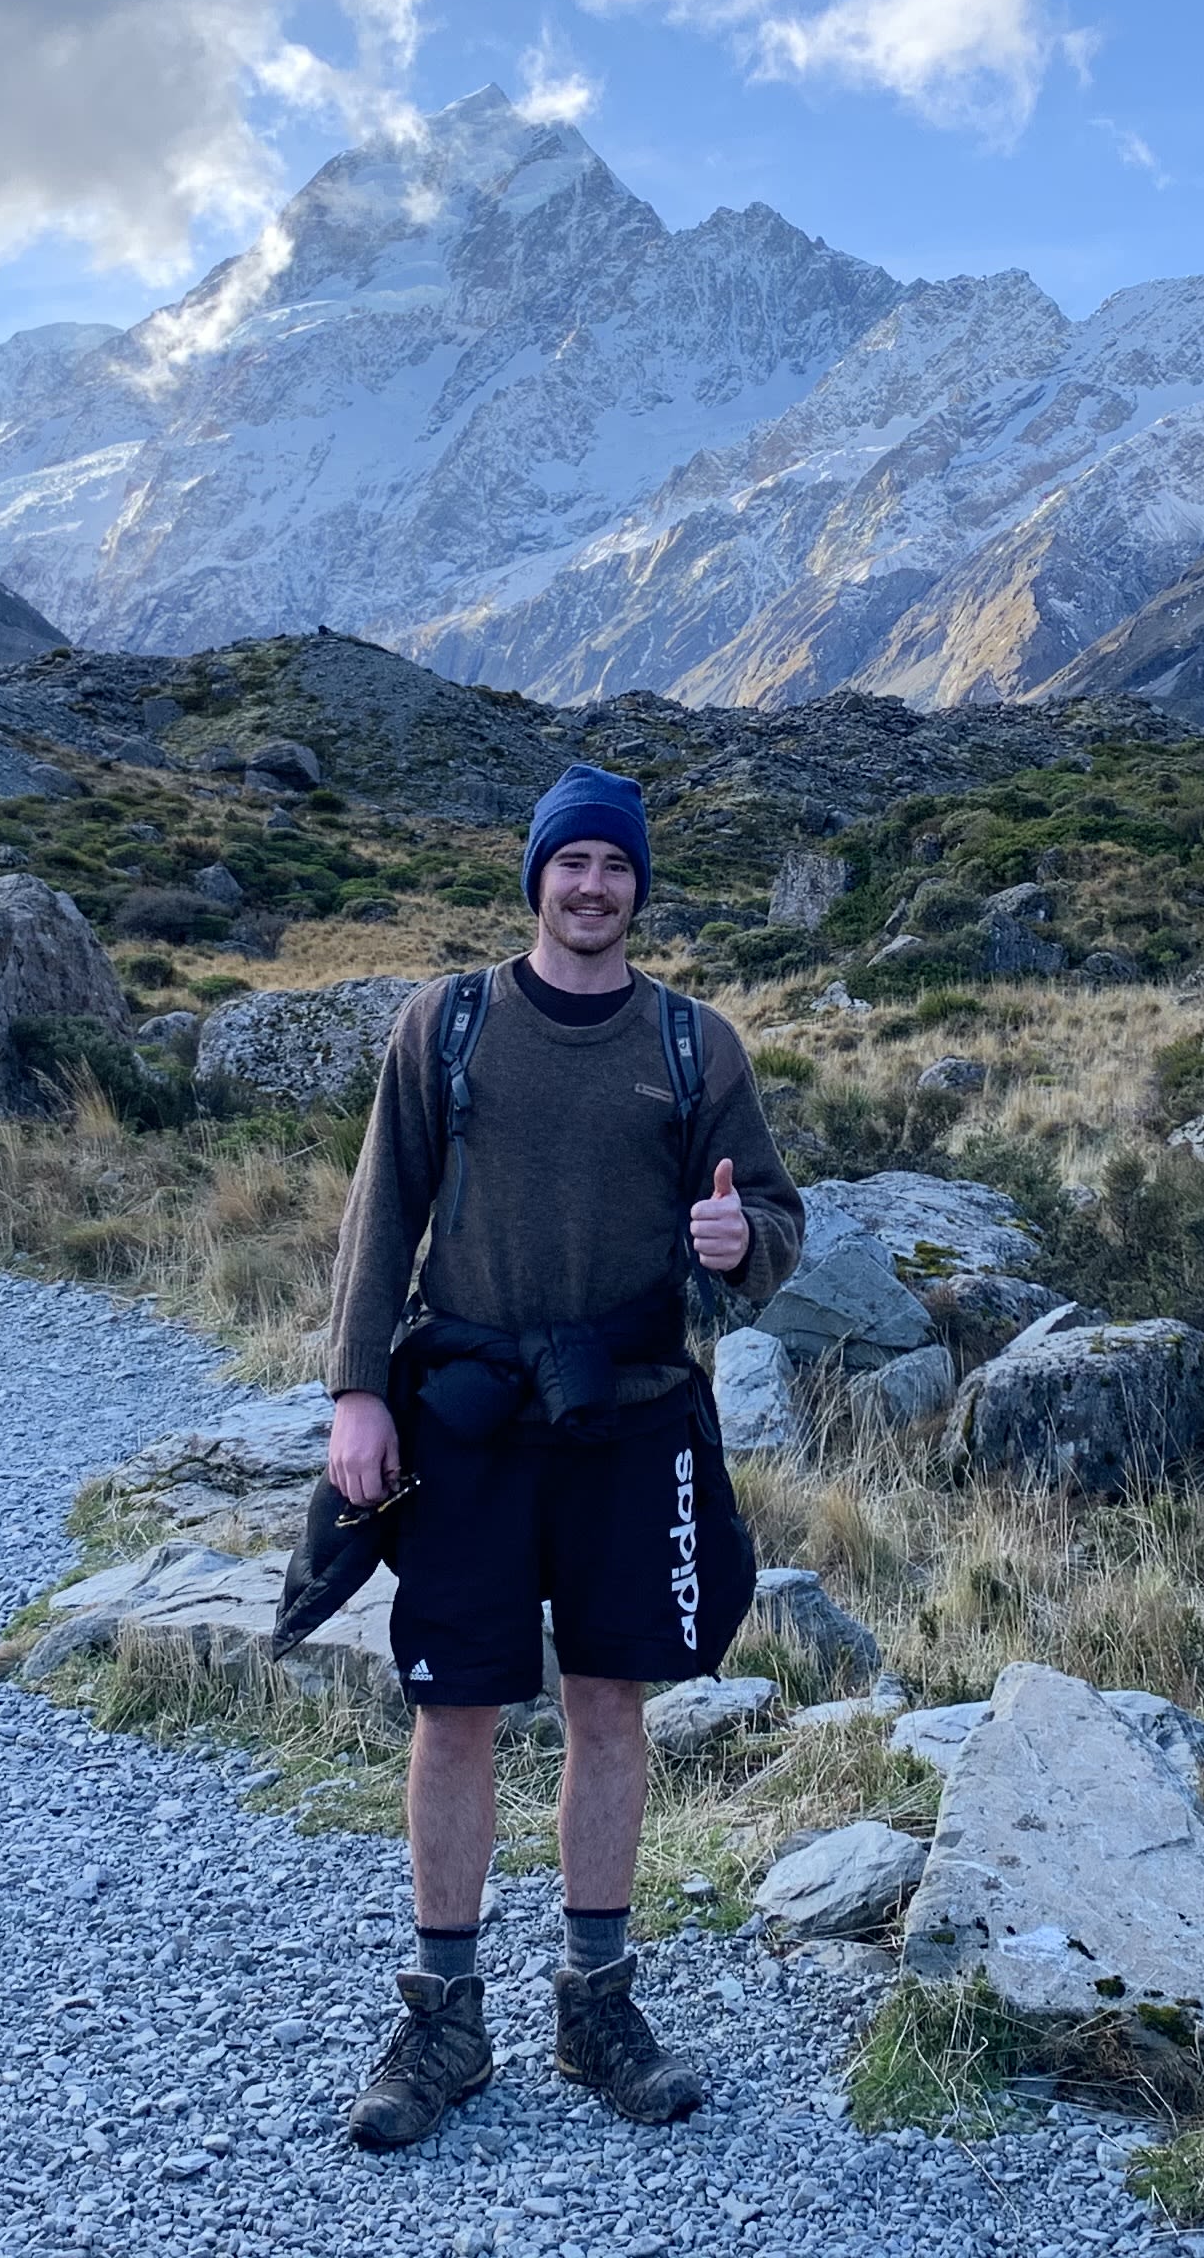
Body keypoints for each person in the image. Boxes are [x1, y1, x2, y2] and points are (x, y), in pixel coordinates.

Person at [319, 761, 803, 2148]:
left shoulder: (693, 1048)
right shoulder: (448, 1023)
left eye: (616, 868)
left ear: (642, 885)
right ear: (534, 875)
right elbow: (381, 1210)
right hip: (468, 1419)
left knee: (608, 1708)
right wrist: (360, 1394)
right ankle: (444, 2019)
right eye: (570, 864)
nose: (592, 889)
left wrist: (741, 1247)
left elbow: (768, 1215)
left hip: (631, 1416)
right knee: (454, 1711)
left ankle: (596, 2005)